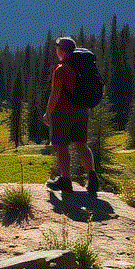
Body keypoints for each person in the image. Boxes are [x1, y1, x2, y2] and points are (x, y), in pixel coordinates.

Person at [42, 36, 98, 193]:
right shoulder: (80, 67)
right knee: (81, 144)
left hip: (62, 112)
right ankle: (93, 178)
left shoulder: (61, 69)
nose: (56, 50)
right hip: (81, 111)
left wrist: (48, 112)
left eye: (57, 48)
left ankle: (65, 180)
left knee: (61, 146)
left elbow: (56, 92)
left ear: (62, 50)